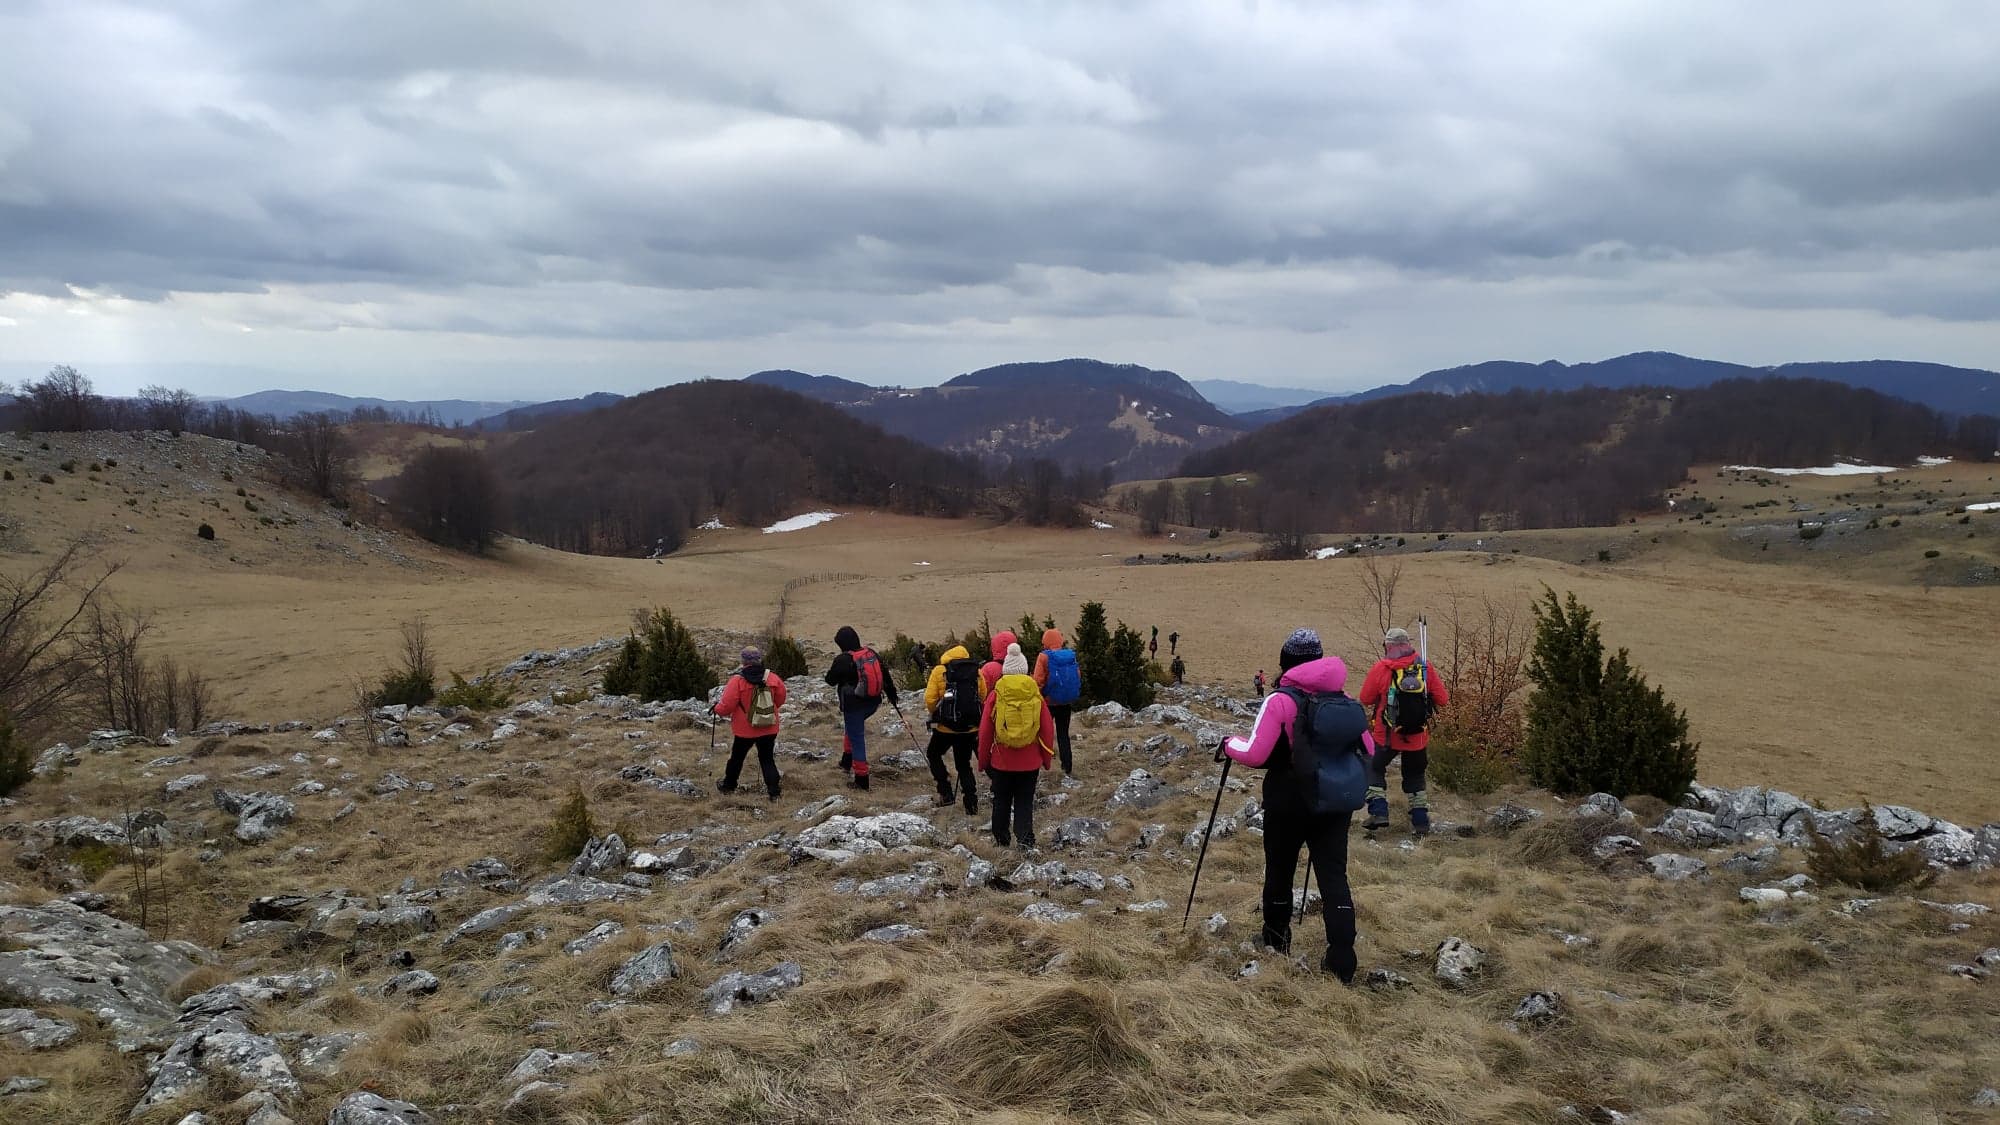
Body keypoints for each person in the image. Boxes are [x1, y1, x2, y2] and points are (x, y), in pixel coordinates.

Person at [1222, 628, 1368, 983]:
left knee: (1280, 870)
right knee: (1335, 877)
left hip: (1288, 799)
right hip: (1334, 802)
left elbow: (1255, 754)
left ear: (1286, 662)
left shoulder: (1280, 700)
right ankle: (1342, 959)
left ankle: (1275, 941)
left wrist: (1228, 744)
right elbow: (1371, 750)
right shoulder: (1345, 699)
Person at [1358, 626, 1450, 835]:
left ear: (1388, 646)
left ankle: (1379, 811)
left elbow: (1365, 699)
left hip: (1387, 735)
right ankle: (1420, 823)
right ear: (1408, 644)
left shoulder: (1382, 668)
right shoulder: (1424, 667)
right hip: (1417, 736)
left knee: (1373, 768)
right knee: (1415, 776)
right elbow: (1443, 700)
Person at [978, 643, 1055, 849]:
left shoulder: (996, 694)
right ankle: (1025, 841)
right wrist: (1046, 760)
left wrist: (983, 760)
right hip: (1030, 762)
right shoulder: (1035, 694)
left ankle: (1001, 840)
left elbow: (985, 731)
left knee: (1001, 799)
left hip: (1001, 761)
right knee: (1024, 801)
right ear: (1025, 668)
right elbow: (1047, 729)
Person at [825, 625, 898, 790]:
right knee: (851, 730)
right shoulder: (871, 653)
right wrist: (893, 697)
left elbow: (830, 680)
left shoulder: (843, 659)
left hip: (854, 705)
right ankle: (846, 761)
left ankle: (861, 779)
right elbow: (885, 675)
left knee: (857, 738)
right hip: (873, 702)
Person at [714, 646, 788, 800]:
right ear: (759, 659)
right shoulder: (772, 678)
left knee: (737, 757)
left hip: (744, 729)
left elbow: (727, 705)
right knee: (767, 758)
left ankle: (729, 785)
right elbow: (780, 699)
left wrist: (717, 709)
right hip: (768, 727)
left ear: (743, 661)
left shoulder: (737, 681)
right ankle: (774, 792)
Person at [924, 643, 987, 812]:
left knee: (933, 754)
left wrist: (937, 714)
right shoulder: (977, 671)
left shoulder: (939, 671)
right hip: (969, 728)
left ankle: (945, 792)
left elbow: (930, 699)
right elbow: (983, 695)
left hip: (945, 728)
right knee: (964, 764)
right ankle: (971, 803)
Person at [1032, 627, 1082, 775]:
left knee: (1044, 733)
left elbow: (1038, 681)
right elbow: (1077, 676)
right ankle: (1067, 767)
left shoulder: (1043, 657)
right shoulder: (1069, 656)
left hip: (1048, 702)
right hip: (1065, 702)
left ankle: (1043, 765)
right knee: (1063, 734)